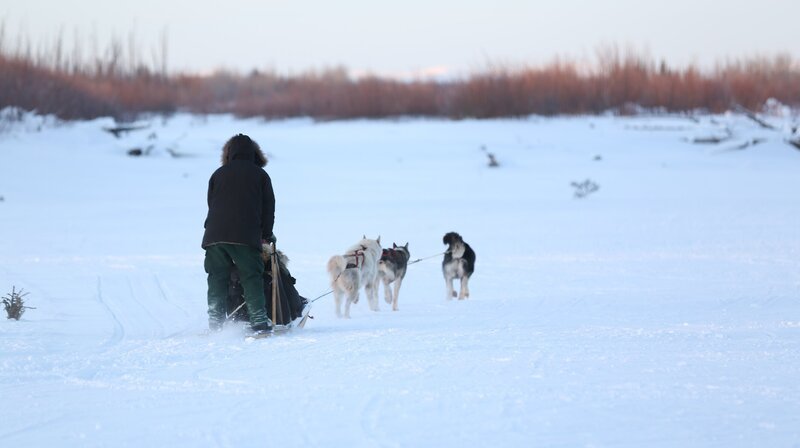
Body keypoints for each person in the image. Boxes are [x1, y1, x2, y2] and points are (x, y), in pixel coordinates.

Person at [202, 134, 275, 334]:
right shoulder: (260, 175)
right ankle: (259, 321)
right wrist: (266, 235)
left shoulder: (218, 174)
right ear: (254, 153)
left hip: (214, 236)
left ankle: (215, 323)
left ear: (229, 153)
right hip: (245, 236)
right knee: (251, 276)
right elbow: (268, 208)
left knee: (217, 278)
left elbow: (212, 204)